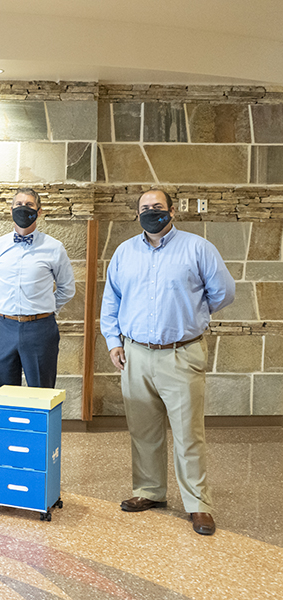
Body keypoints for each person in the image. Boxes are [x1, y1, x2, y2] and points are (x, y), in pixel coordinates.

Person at [101, 189, 235, 536]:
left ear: (172, 211)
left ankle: (197, 504)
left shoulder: (197, 248)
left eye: (157, 207)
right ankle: (149, 491)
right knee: (143, 430)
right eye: (144, 208)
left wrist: (195, 314)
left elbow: (224, 292)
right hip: (136, 354)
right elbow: (111, 300)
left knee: (189, 433)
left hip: (181, 353)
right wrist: (114, 342)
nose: (150, 213)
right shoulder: (124, 252)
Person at [0, 188, 75, 482]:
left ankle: (37, 465)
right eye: (18, 204)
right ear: (10, 209)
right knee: (4, 397)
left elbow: (66, 289)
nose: (24, 208)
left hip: (40, 330)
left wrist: (42, 312)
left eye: (29, 205)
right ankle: (2, 463)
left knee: (40, 398)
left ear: (40, 210)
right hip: (5, 327)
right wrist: (9, 312)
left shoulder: (54, 248)